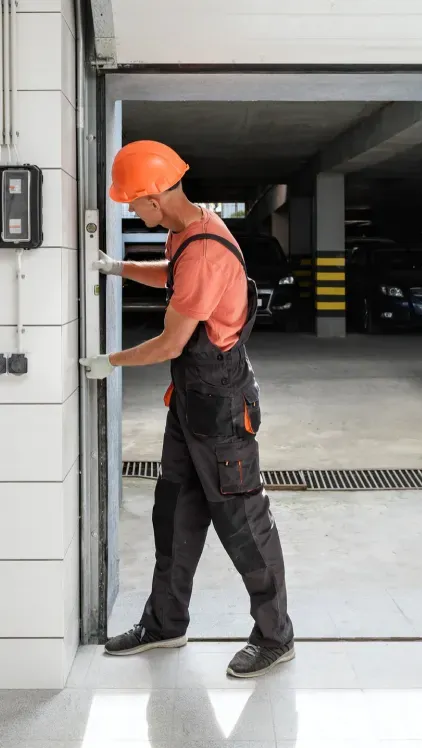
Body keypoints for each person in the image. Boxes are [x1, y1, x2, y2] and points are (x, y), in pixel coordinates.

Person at [80, 140, 294, 677]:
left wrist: (111, 360)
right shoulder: (187, 230)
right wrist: (117, 268)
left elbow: (171, 344)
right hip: (192, 403)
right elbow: (174, 278)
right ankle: (165, 623)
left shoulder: (201, 249)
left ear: (155, 196)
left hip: (221, 407)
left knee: (243, 520)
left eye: (134, 203)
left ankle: (274, 636)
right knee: (174, 511)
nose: (131, 211)